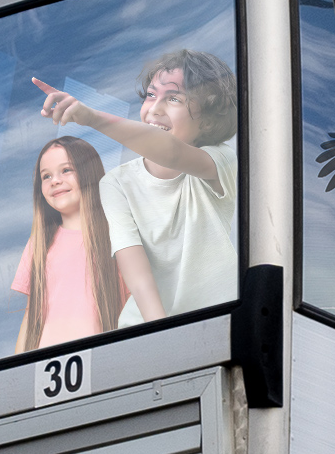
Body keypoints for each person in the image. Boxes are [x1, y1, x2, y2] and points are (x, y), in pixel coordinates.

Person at [33, 49, 238, 327]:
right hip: (147, 329)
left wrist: (91, 117)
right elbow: (137, 275)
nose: (155, 108)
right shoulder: (116, 183)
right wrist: (158, 332)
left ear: (208, 121)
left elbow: (171, 152)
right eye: (151, 95)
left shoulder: (220, 161)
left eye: (174, 98)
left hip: (216, 322)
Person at [12, 136, 129, 353]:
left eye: (66, 170)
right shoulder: (38, 245)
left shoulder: (119, 234)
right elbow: (31, 315)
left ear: (89, 172)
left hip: (104, 361)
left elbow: (138, 301)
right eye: (46, 176)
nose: (54, 180)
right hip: (47, 371)